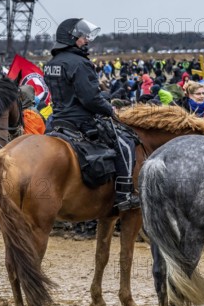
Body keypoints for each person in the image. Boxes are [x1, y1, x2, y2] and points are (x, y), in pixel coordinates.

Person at [43, 18, 138, 210]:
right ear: (71, 38)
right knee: (126, 144)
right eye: (83, 37)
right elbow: (90, 99)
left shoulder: (51, 63)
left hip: (58, 121)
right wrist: (109, 109)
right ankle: (124, 194)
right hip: (82, 121)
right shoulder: (80, 63)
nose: (87, 40)